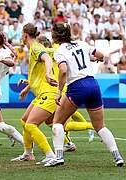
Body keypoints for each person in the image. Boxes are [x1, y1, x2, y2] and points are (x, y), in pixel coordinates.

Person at [44, 23, 124, 167]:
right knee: (100, 126)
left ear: (56, 35)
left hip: (77, 86)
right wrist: (93, 59)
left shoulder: (60, 50)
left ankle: (59, 157)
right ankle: (117, 156)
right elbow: (100, 56)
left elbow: (63, 70)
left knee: (57, 122)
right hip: (93, 84)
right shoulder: (81, 43)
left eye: (52, 33)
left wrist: (59, 92)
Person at [10, 23, 58, 164]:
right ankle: (28, 154)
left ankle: (50, 155)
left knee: (31, 124)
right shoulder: (35, 48)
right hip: (42, 92)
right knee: (25, 121)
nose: (21, 36)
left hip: (49, 92)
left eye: (21, 34)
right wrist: (27, 88)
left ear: (25, 34)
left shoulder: (36, 48)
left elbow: (47, 59)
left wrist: (48, 74)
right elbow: (38, 72)